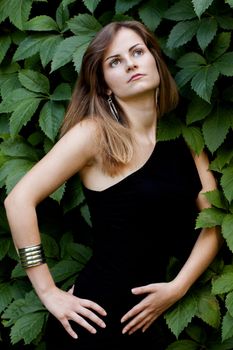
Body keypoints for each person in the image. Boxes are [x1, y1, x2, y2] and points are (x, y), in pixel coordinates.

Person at [4, 20, 222, 349]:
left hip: (149, 320)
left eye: (137, 52)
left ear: (155, 61)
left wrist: (178, 287)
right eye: (114, 61)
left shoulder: (186, 137)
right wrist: (49, 292)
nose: (131, 63)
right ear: (105, 85)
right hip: (92, 322)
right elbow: (18, 201)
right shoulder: (93, 135)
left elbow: (214, 221)